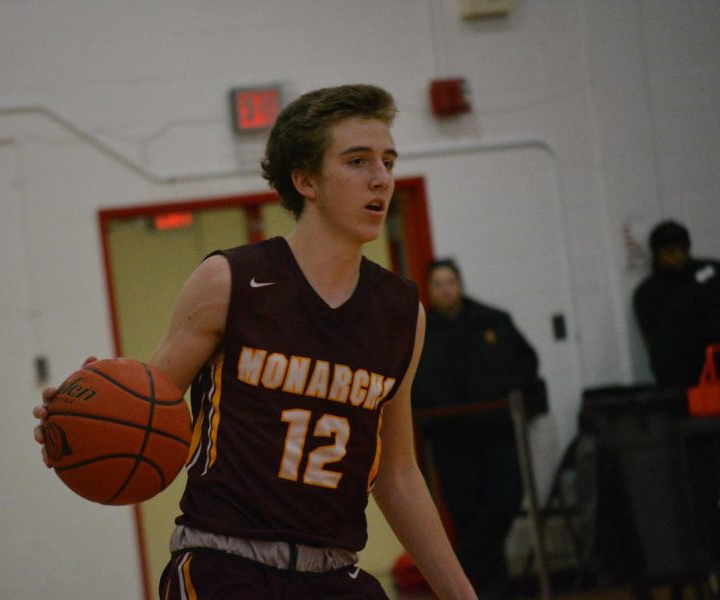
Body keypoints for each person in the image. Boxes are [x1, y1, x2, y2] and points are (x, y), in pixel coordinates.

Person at [34, 84, 476, 599]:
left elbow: (396, 473)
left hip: (336, 572)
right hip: (224, 565)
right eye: (357, 161)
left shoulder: (403, 312)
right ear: (305, 179)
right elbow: (151, 410)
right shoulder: (230, 281)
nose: (381, 178)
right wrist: (83, 416)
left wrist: (461, 595)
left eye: (388, 161)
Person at [411, 259, 542, 600]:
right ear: (430, 290)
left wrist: (503, 387)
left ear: (460, 284)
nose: (445, 289)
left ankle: (460, 570)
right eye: (437, 284)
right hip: (451, 439)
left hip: (495, 430)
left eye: (450, 281)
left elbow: (526, 361)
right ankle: (488, 592)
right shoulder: (418, 331)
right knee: (466, 514)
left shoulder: (491, 320)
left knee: (505, 501)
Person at [633, 220, 720, 388]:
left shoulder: (712, 270)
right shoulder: (648, 292)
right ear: (658, 254)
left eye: (683, 249)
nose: (679, 256)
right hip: (681, 373)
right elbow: (662, 337)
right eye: (670, 251)